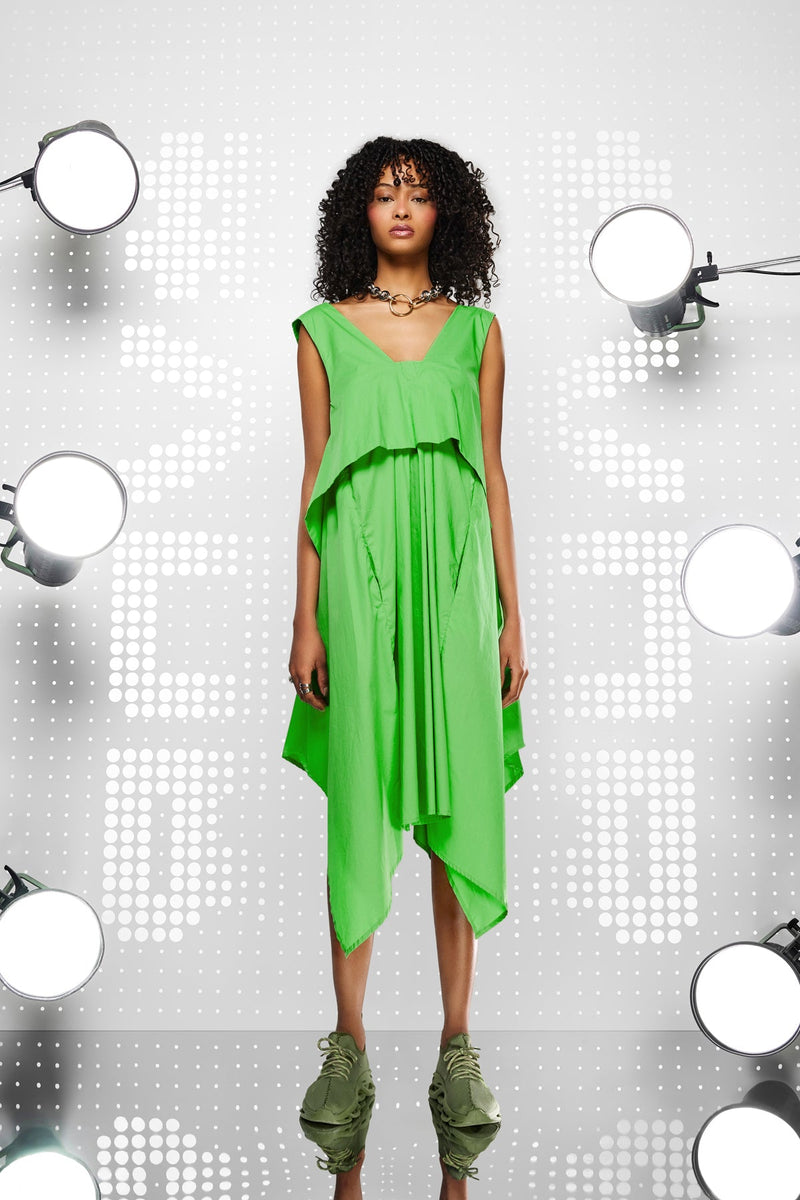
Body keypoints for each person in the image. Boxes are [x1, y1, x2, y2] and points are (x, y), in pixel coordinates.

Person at [281, 137, 528, 1200]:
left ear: (445, 217)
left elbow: (493, 475)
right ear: (359, 212)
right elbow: (313, 478)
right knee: (361, 802)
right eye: (384, 193)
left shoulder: (478, 334)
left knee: (458, 798)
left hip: (457, 573)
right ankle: (348, 1048)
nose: (400, 207)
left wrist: (512, 615)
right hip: (357, 567)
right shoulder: (320, 332)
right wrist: (305, 619)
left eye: (419, 195)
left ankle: (456, 1047)